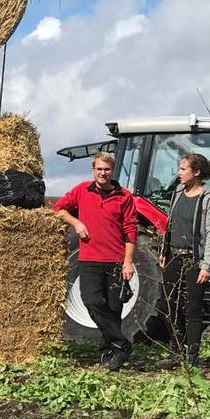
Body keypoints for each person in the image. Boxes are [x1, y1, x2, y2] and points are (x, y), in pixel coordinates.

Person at [53, 152, 138, 371]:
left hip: (116, 260)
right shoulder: (81, 190)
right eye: (99, 169)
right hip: (90, 259)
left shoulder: (124, 197)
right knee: (91, 302)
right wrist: (76, 223)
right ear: (93, 170)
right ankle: (122, 345)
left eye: (106, 169)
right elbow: (59, 210)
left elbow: (130, 231)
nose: (102, 173)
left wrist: (128, 263)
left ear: (112, 171)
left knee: (114, 308)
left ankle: (109, 354)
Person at [158, 154, 210, 367]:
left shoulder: (208, 198)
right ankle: (176, 351)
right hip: (173, 256)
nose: (179, 172)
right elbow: (171, 222)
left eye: (183, 169)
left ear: (196, 172)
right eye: (180, 168)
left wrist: (206, 265)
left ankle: (192, 356)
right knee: (168, 305)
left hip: (194, 259)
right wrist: (164, 249)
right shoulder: (177, 192)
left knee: (192, 307)